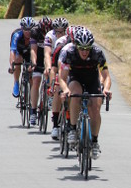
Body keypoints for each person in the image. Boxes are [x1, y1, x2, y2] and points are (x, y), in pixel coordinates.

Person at [58, 27, 112, 159]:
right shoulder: (69, 53)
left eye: (87, 48)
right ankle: (72, 127)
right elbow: (62, 78)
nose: (84, 51)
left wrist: (106, 89)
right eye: (81, 48)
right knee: (75, 94)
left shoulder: (97, 53)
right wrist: (65, 90)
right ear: (76, 46)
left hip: (92, 80)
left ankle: (94, 141)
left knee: (95, 108)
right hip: (75, 78)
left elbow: (106, 76)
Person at [44, 17, 69, 139]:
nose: (59, 34)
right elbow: (48, 56)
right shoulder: (50, 37)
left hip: (67, 67)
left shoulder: (69, 43)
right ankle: (55, 125)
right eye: (57, 31)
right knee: (58, 88)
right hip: (56, 61)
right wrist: (52, 84)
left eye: (62, 31)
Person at [29, 16, 53, 126]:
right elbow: (33, 50)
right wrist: (33, 62)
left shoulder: (53, 33)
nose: (45, 34)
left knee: (51, 76)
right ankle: (33, 111)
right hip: (38, 60)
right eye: (44, 32)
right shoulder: (35, 32)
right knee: (36, 81)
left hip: (49, 61)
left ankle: (49, 96)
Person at [8, 16, 35, 97]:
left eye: (30, 29)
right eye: (25, 29)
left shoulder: (35, 35)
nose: (28, 32)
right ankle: (16, 83)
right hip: (19, 51)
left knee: (31, 72)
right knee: (17, 60)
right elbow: (12, 51)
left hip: (30, 52)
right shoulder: (16, 35)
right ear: (22, 28)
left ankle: (33, 95)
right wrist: (12, 66)